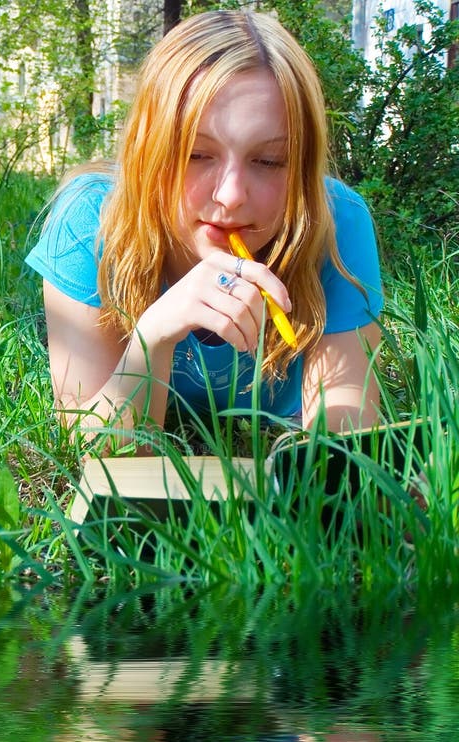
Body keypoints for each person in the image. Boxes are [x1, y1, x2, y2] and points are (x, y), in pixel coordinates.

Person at [25, 10, 383, 448]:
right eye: (196, 155)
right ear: (146, 153)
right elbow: (91, 446)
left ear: (303, 168)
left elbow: (344, 447)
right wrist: (152, 340)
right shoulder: (89, 221)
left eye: (269, 160)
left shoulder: (336, 223)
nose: (231, 195)